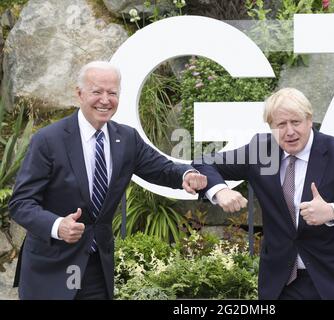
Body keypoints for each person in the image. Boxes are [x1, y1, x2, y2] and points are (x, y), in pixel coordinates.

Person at [9, 61, 207, 300]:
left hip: (96, 269)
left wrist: (186, 175)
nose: (105, 100)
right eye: (97, 91)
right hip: (50, 269)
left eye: (112, 93)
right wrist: (57, 225)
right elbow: (21, 203)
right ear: (79, 93)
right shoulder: (48, 140)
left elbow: (162, 169)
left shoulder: (127, 138)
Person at [193, 88, 334, 300]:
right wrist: (220, 190)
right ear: (271, 127)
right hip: (283, 284)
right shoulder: (260, 151)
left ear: (309, 120)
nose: (289, 131)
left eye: (296, 122)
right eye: (281, 125)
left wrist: (330, 211)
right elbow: (203, 162)